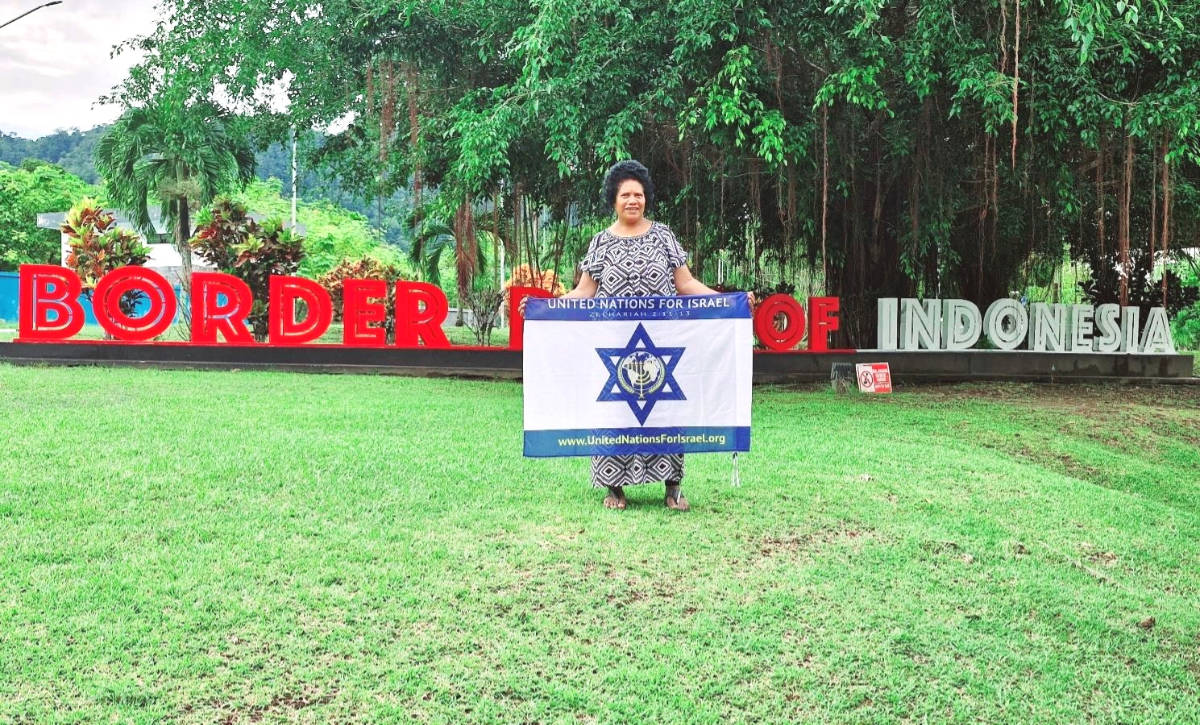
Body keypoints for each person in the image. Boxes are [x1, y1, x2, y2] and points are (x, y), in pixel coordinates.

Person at [524, 159, 725, 511]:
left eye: (639, 194)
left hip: (661, 343)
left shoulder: (664, 236)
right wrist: (547, 307)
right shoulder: (601, 242)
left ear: (646, 197)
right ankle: (614, 488)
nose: (633, 200)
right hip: (613, 345)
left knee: (665, 412)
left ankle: (672, 487)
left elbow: (685, 283)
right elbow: (584, 292)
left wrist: (728, 303)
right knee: (615, 412)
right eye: (625, 195)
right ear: (613, 200)